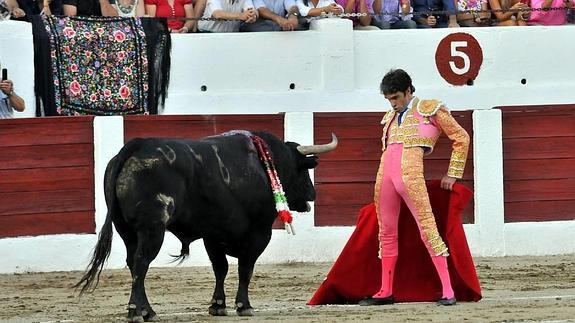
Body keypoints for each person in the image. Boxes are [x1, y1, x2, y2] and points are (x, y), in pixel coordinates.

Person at [359, 69, 470, 306]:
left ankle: (448, 291)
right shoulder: (389, 117)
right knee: (386, 232)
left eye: (396, 97)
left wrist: (453, 173)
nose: (393, 103)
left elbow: (461, 138)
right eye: (389, 99)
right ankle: (385, 290)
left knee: (428, 229)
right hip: (384, 176)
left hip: (411, 177)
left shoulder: (430, 109)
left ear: (409, 90)